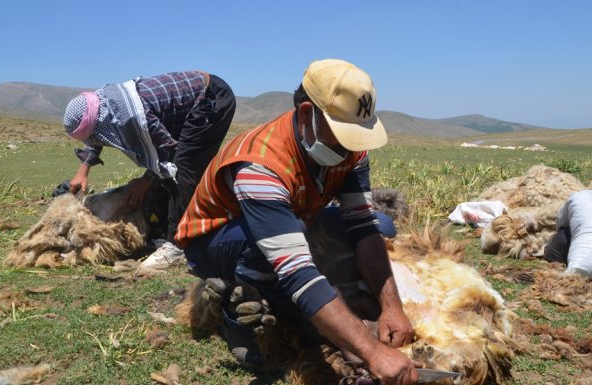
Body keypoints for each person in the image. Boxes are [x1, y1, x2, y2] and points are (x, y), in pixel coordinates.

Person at [174, 59, 420, 385]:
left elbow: (362, 227)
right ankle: (238, 312)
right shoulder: (259, 164)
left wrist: (392, 307)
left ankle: (311, 301)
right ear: (307, 115)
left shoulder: (349, 148)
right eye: (343, 134)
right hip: (217, 240)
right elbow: (296, 272)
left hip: (294, 219)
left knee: (382, 227)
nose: (351, 148)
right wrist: (369, 351)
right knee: (280, 255)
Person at [62, 71, 235, 268]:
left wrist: (144, 182)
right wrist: (83, 170)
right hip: (191, 100)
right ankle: (180, 222)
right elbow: (96, 130)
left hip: (210, 99)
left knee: (183, 170)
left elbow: (167, 156)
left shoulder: (133, 118)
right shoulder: (104, 104)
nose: (95, 140)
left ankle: (177, 245)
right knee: (173, 172)